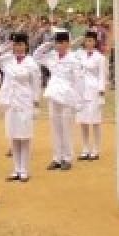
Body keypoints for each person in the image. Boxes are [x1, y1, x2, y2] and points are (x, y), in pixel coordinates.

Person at [33, 30, 85, 172]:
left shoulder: (74, 59)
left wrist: (79, 101)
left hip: (67, 97)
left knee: (66, 128)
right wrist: (47, 44)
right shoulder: (52, 56)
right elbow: (36, 57)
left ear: (68, 43)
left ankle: (67, 158)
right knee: (55, 128)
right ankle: (57, 158)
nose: (60, 45)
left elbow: (79, 81)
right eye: (58, 42)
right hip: (53, 94)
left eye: (62, 42)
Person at [0, 32, 42, 183]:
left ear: (26, 46)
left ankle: (24, 170)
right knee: (13, 136)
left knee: (24, 137)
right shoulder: (7, 61)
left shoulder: (31, 63)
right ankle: (15, 169)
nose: (18, 47)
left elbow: (36, 84)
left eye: (20, 44)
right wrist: (6, 45)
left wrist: (36, 103)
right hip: (11, 102)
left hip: (25, 101)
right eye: (16, 45)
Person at [74, 31, 108, 161]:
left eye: (91, 41)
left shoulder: (100, 57)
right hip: (81, 90)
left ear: (95, 42)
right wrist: (77, 40)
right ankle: (85, 148)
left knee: (95, 121)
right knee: (83, 121)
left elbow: (102, 76)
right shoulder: (79, 54)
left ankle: (96, 149)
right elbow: (70, 50)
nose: (88, 43)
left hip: (94, 90)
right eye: (86, 40)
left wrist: (101, 93)